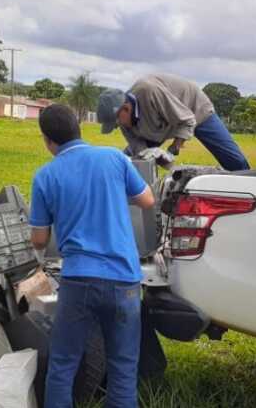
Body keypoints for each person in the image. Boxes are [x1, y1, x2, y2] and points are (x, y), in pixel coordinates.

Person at [28, 104, 155, 408]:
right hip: (123, 280)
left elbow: (40, 238)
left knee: (63, 364)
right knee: (123, 365)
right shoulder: (113, 157)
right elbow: (148, 200)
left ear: (47, 140)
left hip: (77, 280)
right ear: (79, 127)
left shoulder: (45, 175)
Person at [97, 73, 251, 171]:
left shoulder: (149, 91)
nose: (119, 126)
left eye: (116, 122)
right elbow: (141, 152)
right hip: (161, 124)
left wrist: (171, 151)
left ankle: (251, 188)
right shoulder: (124, 120)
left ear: (125, 108)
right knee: (134, 164)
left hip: (193, 109)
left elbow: (188, 120)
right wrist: (171, 167)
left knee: (234, 161)